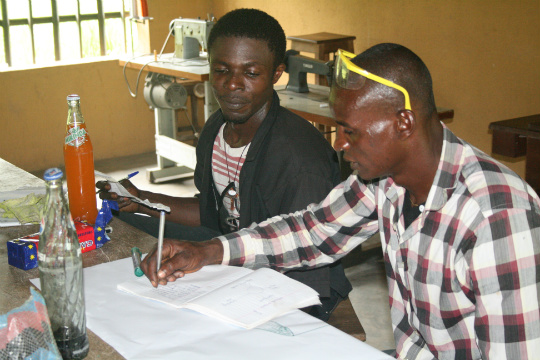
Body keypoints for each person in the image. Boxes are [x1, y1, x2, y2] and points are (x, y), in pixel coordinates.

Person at [140, 43, 540, 359]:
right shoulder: (385, 180)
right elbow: (313, 231)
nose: (339, 144)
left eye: (350, 132)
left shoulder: (497, 219)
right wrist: (208, 251)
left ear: (402, 124)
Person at [97, 8, 351, 321]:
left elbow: (305, 263)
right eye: (221, 70)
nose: (232, 84)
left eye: (251, 73)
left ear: (276, 74)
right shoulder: (216, 130)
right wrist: (141, 201)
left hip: (295, 284)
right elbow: (213, 214)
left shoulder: (299, 160)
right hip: (232, 255)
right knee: (126, 226)